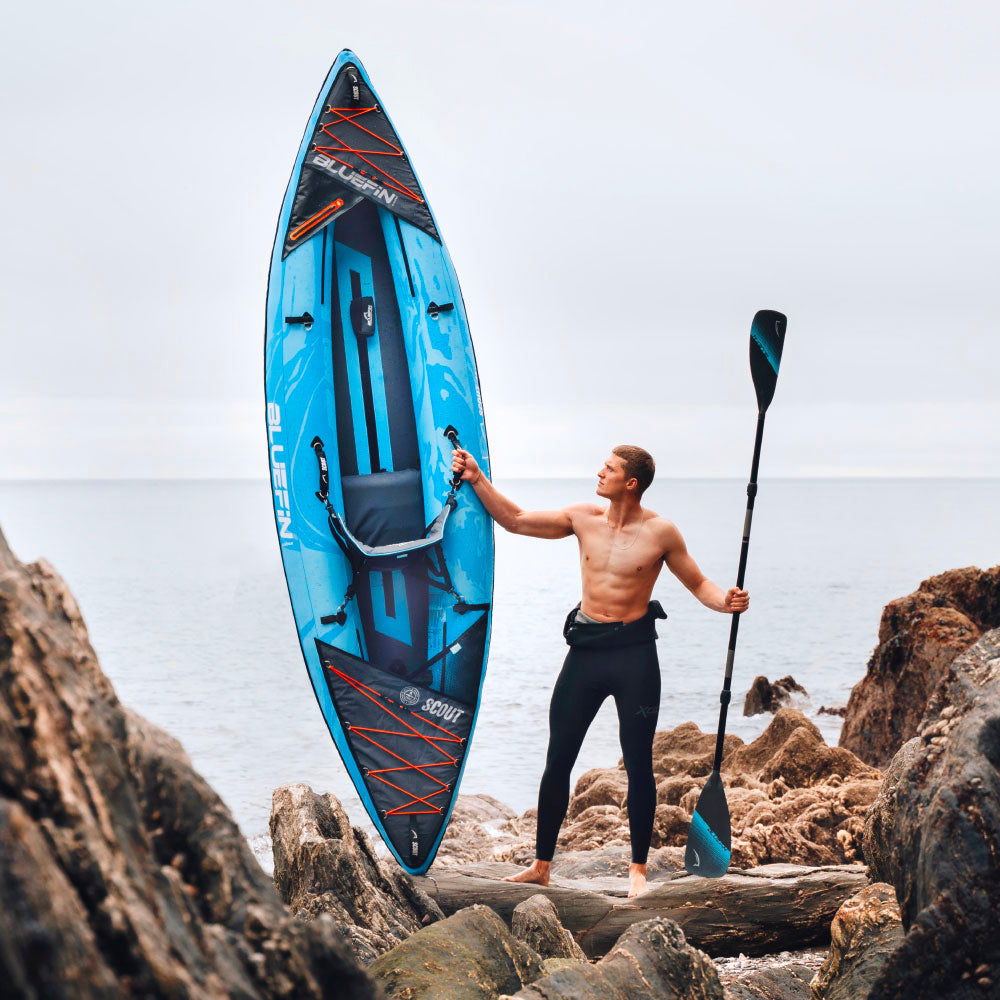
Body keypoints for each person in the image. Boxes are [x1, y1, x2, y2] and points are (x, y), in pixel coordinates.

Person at [450, 444, 749, 897]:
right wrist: (475, 477)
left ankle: (637, 871)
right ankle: (541, 865)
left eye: (609, 469)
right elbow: (514, 520)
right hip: (585, 655)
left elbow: (699, 584)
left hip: (635, 658)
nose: (600, 472)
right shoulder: (582, 518)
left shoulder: (662, 534)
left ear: (630, 483)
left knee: (639, 763)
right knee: (558, 759)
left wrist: (724, 602)